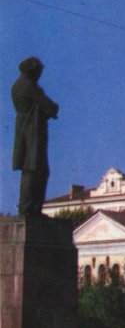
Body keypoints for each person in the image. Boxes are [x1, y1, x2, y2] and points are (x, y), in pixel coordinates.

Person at [11, 57, 59, 217]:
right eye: (39, 71)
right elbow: (50, 106)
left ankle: (28, 208)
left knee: (30, 169)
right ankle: (31, 209)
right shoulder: (29, 86)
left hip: (23, 130)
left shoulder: (17, 85)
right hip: (33, 131)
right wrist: (52, 108)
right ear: (34, 70)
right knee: (37, 169)